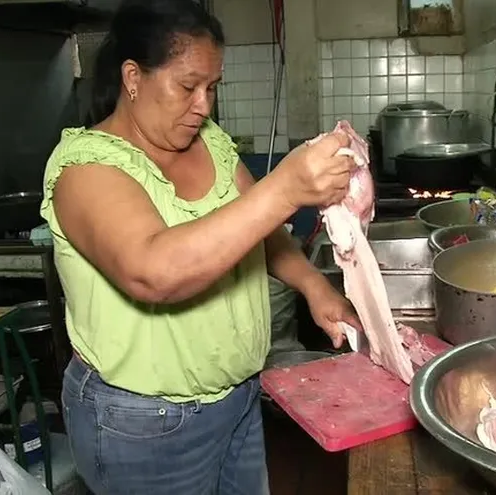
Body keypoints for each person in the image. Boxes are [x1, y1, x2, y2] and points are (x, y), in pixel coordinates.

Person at [39, 0, 362, 493]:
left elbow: (262, 231)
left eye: (212, 88)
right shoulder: (85, 167)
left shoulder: (209, 141)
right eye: (188, 86)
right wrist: (286, 188)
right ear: (133, 77)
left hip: (237, 400)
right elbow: (152, 271)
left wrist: (315, 286)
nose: (204, 106)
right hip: (144, 424)